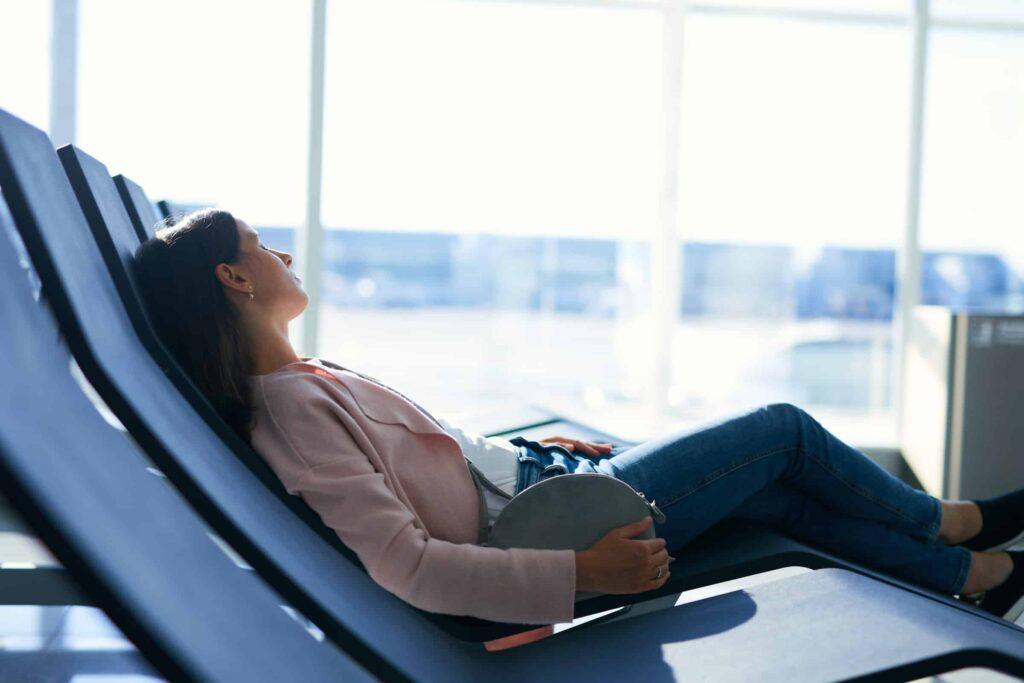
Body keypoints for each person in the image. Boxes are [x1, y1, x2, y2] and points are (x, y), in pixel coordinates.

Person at [134, 208, 1024, 625]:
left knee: (778, 502)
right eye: (261, 244)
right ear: (235, 279)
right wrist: (577, 570)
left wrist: (525, 450)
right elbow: (406, 565)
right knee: (783, 430)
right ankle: (954, 522)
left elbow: (433, 470)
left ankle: (973, 575)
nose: (281, 250)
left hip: (543, 488)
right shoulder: (291, 409)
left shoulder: (305, 379)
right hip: (555, 525)